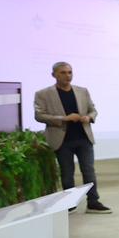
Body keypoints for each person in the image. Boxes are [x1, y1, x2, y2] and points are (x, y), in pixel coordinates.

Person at [33, 61, 109, 213]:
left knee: (89, 171)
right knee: (67, 174)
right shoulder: (43, 94)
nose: (67, 76)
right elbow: (39, 115)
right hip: (62, 140)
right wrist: (64, 118)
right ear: (54, 75)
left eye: (70, 72)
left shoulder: (82, 91)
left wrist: (89, 117)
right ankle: (70, 203)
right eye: (63, 73)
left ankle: (93, 202)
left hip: (83, 137)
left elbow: (93, 110)